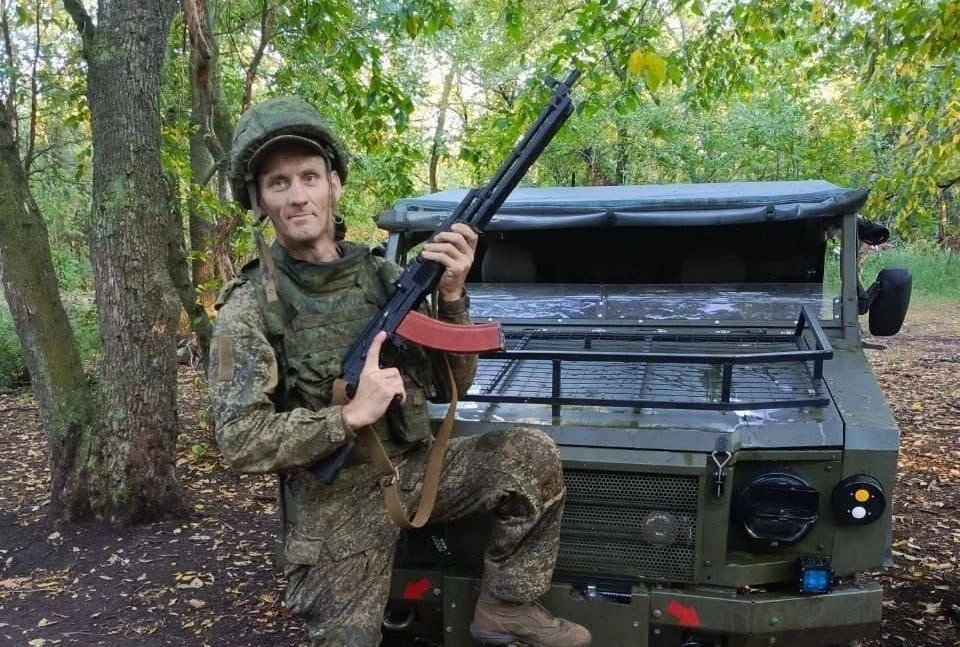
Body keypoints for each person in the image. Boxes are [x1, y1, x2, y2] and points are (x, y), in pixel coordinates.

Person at [208, 95, 591, 647]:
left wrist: (452, 296)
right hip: (334, 508)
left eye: (309, 177)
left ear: (334, 184)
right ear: (260, 201)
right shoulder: (250, 306)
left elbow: (454, 383)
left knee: (530, 456)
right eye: (278, 183)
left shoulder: (385, 280)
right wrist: (348, 417)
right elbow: (238, 439)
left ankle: (506, 604)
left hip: (415, 470)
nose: (297, 196)